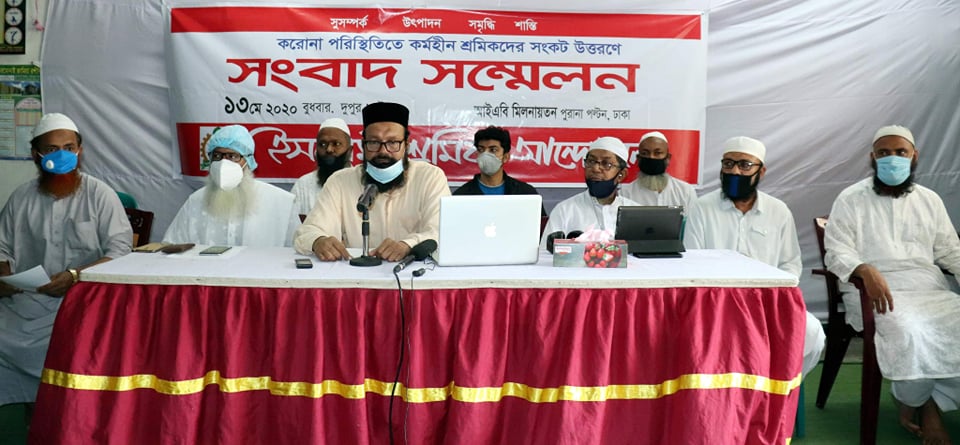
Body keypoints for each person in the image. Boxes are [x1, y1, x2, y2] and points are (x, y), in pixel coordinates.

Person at [824, 125, 960, 444]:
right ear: (872, 158)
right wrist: (864, 269)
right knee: (909, 331)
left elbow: (950, 251)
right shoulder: (851, 199)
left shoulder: (929, 200)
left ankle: (930, 399)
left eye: (901, 152)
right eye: (884, 153)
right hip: (875, 292)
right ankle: (923, 406)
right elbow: (837, 250)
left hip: (928, 289)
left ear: (914, 156)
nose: (892, 159)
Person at [0, 113, 132, 410]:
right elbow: (2, 248)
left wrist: (75, 275)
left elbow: (121, 252)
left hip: (83, 300)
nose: (61, 156)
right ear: (36, 154)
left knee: (76, 341)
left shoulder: (100, 195)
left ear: (79, 151)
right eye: (51, 149)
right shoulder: (21, 198)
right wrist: (5, 278)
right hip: (26, 301)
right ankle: (26, 410)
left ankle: (66, 413)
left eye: (69, 148)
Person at [684, 136, 825, 379]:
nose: (735, 171)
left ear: (761, 172)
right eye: (728, 164)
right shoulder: (702, 208)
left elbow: (790, 263)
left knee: (813, 333)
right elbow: (692, 262)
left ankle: (779, 387)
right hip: (716, 302)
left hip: (766, 301)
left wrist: (774, 295)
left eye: (745, 165)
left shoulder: (778, 211)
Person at [294, 102, 451, 262]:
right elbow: (308, 231)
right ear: (363, 145)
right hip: (355, 274)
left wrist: (408, 245)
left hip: (412, 271)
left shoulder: (430, 177)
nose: (383, 151)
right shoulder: (340, 181)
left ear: (406, 145)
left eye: (392, 143)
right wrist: (318, 241)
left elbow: (442, 231)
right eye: (374, 142)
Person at [163, 125, 300, 247]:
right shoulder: (196, 201)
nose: (223, 163)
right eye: (217, 155)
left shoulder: (282, 203)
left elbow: (297, 250)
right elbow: (171, 245)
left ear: (248, 161)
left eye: (232, 156)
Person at [540, 136, 640, 249]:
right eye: (591, 162)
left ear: (621, 175)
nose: (596, 168)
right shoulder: (565, 210)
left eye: (606, 164)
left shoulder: (636, 213)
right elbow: (545, 254)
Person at [453, 126, 546, 216]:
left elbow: (541, 225)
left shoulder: (526, 193)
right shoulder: (461, 196)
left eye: (493, 150)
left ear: (505, 157)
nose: (485, 155)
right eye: (481, 149)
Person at [291, 117, 354, 216]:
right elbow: (292, 223)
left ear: (350, 150)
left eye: (336, 144)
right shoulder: (303, 185)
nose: (329, 149)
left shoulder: (361, 184)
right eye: (323, 144)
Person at [621, 131, 697, 208]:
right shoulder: (625, 193)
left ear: (668, 158)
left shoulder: (685, 192)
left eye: (657, 153)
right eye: (645, 153)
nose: (651, 157)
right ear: (638, 158)